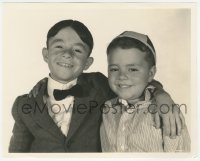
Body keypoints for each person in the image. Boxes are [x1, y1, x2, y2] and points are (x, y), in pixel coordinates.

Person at [9, 20, 185, 153]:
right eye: (59, 46)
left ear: (88, 62)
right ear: (46, 54)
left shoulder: (100, 85)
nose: (67, 55)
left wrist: (162, 95)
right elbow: (16, 152)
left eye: (77, 50)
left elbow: (134, 82)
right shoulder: (25, 104)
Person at [100, 31, 190, 152]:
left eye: (132, 69)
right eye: (114, 69)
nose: (122, 76)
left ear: (151, 73)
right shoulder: (108, 109)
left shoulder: (165, 113)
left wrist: (160, 94)